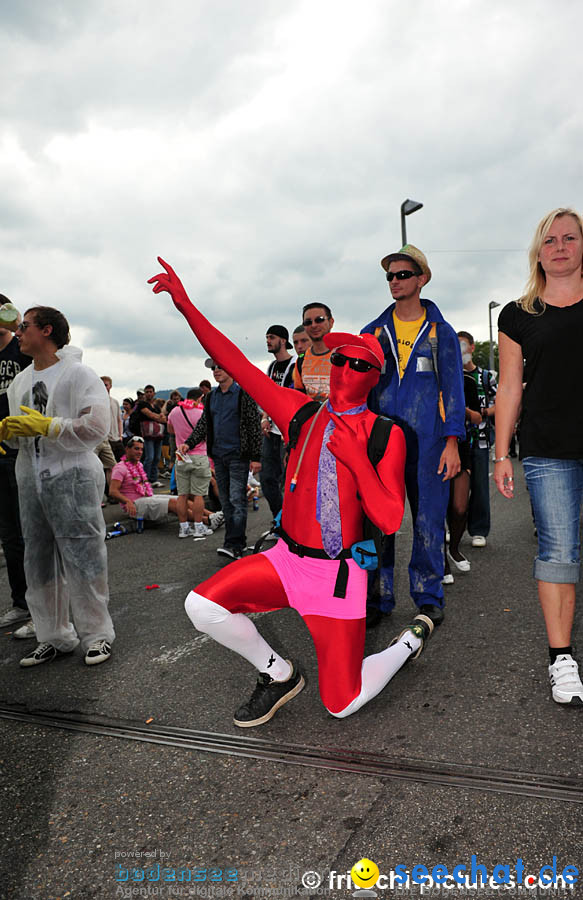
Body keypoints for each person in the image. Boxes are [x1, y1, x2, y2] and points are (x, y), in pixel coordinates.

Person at [148, 258, 435, 728]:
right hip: (285, 559)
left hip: (337, 574)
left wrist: (358, 461)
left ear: (373, 376)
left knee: (342, 702)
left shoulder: (386, 434)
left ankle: (406, 642)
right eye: (339, 359)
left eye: (358, 363)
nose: (344, 367)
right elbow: (239, 366)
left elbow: (388, 521)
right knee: (201, 605)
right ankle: (277, 673)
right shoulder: (299, 412)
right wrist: (185, 306)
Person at [0, 306, 115, 667]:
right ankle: (54, 635)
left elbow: (97, 428)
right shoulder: (19, 382)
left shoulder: (78, 375)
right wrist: (10, 433)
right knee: (38, 562)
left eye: (25, 326)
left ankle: (97, 636)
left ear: (46, 331)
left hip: (71, 479)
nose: (18, 332)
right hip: (32, 483)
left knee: (84, 559)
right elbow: (24, 436)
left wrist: (50, 427)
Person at [495, 207, 583, 705]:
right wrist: (501, 454)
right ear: (538, 251)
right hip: (548, 449)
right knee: (558, 552)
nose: (560, 246)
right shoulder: (518, 314)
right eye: (550, 240)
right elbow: (510, 388)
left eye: (570, 237)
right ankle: (562, 660)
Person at [362, 244, 465, 627]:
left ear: (421, 279)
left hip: (430, 444)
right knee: (374, 524)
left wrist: (452, 442)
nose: (394, 281)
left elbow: (454, 389)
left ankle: (428, 595)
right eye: (390, 276)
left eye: (402, 275)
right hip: (381, 447)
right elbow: (361, 392)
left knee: (428, 522)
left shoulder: (442, 333)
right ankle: (374, 595)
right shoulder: (370, 333)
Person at [0, 293, 32, 635]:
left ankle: (47, 607)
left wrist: (17, 326)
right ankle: (22, 604)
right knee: (9, 535)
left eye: (2, 307)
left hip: (22, 450)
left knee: (34, 530)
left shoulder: (22, 350)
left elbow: (57, 354)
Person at [180, 359, 262, 559]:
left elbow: (254, 427)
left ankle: (234, 544)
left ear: (231, 369)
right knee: (226, 501)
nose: (215, 370)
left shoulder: (244, 395)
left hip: (237, 455)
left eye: (219, 366)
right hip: (218, 455)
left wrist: (256, 457)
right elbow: (203, 425)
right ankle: (233, 542)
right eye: (213, 367)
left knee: (236, 499)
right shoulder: (211, 397)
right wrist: (188, 443)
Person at [457, 331, 497, 549]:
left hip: (480, 438)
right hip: (457, 439)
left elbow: (500, 402)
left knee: (480, 485)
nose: (461, 350)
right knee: (454, 487)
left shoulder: (485, 376)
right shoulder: (451, 376)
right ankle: (453, 527)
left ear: (472, 348)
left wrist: (483, 412)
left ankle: (479, 530)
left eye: (464, 345)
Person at [443, 373, 482, 584]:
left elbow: (478, 417)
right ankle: (442, 563)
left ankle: (454, 549)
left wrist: (460, 409)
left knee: (460, 507)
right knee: (436, 511)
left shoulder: (467, 382)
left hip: (461, 446)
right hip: (433, 447)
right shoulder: (432, 378)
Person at [109, 436, 189, 529]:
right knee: (173, 503)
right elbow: (113, 491)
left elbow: (142, 485)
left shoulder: (139, 464)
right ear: (127, 449)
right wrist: (127, 501)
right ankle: (202, 520)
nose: (140, 452)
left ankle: (209, 516)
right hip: (135, 504)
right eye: (136, 449)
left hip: (146, 498)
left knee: (181, 499)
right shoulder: (120, 468)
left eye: (142, 449)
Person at [260, 325, 296, 520]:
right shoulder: (271, 367)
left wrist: (288, 429)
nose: (268, 341)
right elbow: (268, 395)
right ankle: (280, 518)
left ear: (282, 340)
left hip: (287, 431)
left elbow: (294, 398)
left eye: (271, 337)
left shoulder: (295, 364)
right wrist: (264, 417)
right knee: (266, 480)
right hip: (271, 431)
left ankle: (291, 523)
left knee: (289, 480)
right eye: (267, 337)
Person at [167, 388, 214, 538]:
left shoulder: (174, 411)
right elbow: (208, 435)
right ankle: (199, 526)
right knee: (199, 494)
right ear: (200, 398)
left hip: (181, 456)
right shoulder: (201, 413)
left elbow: (170, 430)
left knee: (182, 494)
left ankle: (183, 527)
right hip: (199, 455)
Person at [293, 303, 334, 400]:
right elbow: (299, 398)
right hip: (314, 414)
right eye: (308, 322)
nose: (314, 325)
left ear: (331, 322)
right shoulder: (301, 361)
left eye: (319, 320)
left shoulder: (346, 355)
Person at [133, 385, 167, 486]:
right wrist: (159, 418)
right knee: (150, 457)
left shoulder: (156, 406)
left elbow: (162, 417)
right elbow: (150, 415)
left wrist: (160, 417)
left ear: (154, 393)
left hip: (157, 434)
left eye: (150, 392)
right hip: (147, 435)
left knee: (157, 457)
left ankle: (153, 478)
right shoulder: (142, 404)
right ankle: (145, 479)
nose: (148, 394)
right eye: (147, 392)